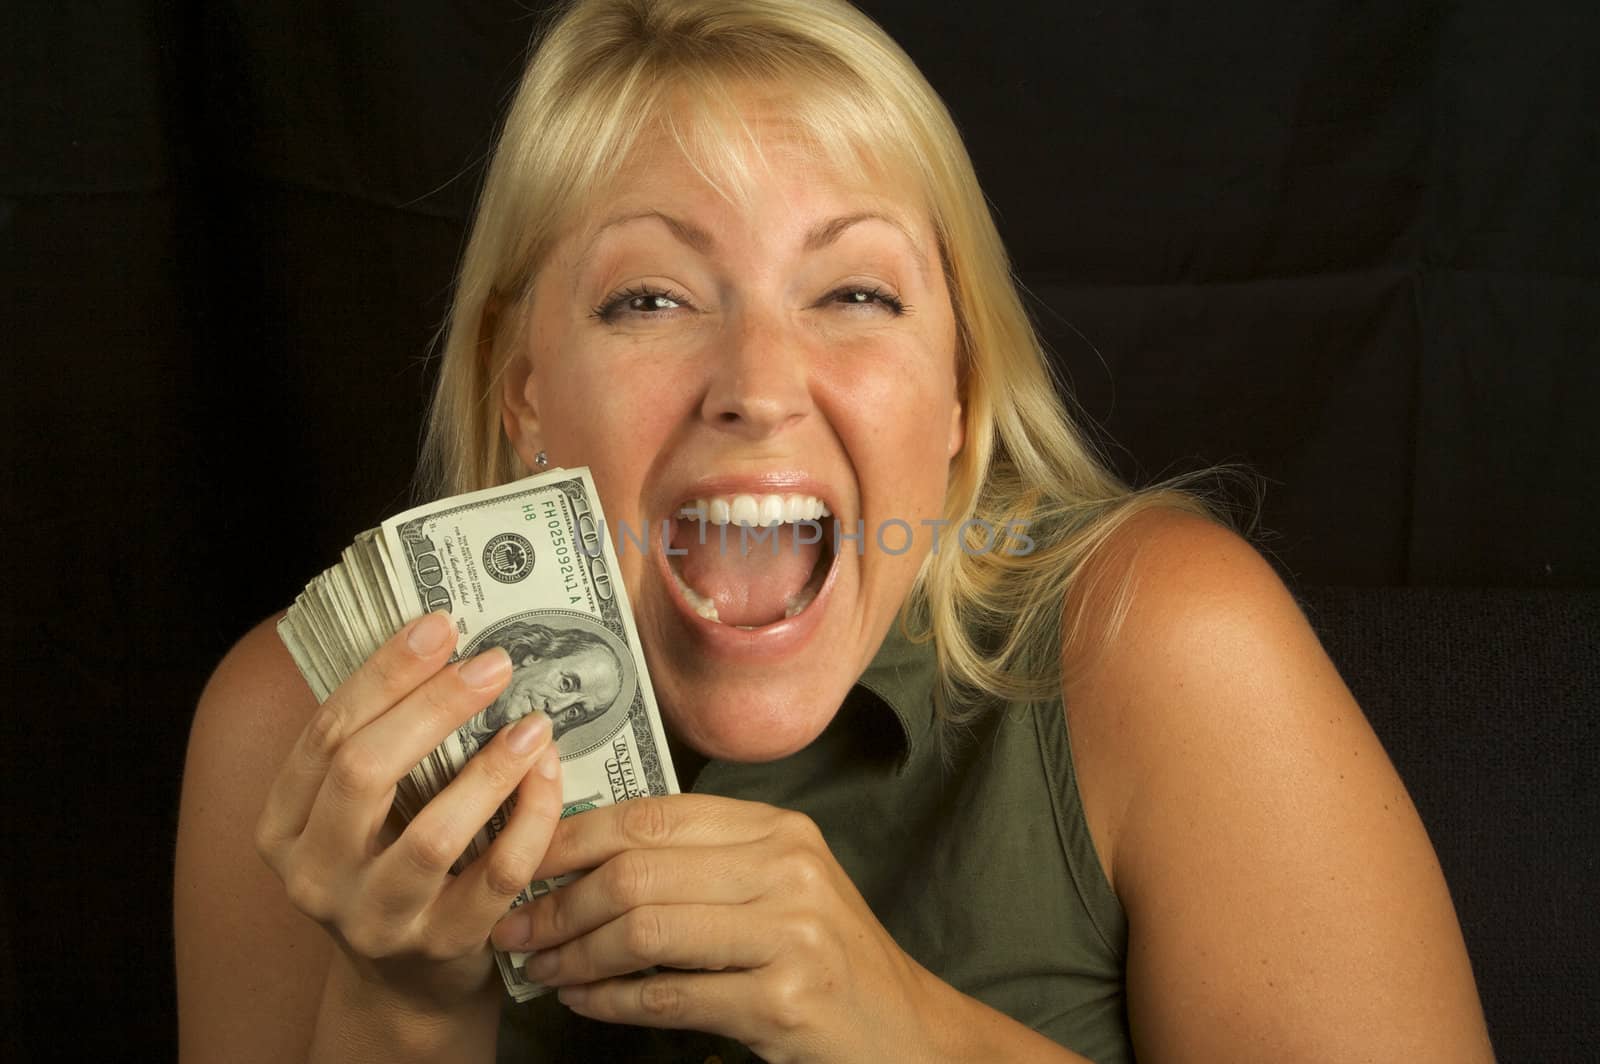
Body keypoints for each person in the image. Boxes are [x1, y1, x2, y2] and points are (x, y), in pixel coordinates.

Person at [174, 1, 1495, 1061]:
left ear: (962, 392)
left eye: (855, 290)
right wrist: (402, 1011)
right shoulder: (294, 732)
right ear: (527, 390)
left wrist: (904, 1031)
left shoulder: (1162, 646)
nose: (757, 380)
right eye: (649, 298)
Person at [462, 620, 626, 751]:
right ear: (534, 657)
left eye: (573, 712)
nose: (555, 708)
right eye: (565, 684)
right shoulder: (462, 663)